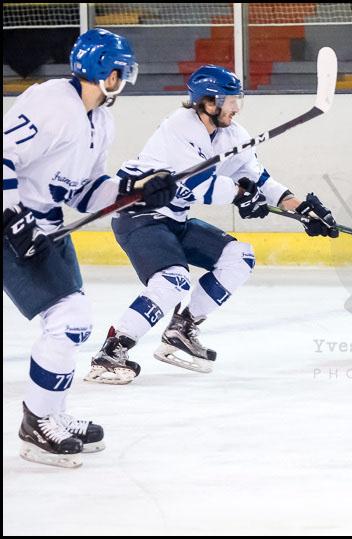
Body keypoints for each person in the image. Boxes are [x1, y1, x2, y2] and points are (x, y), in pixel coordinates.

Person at [85, 64, 338, 384]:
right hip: (139, 214)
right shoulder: (179, 127)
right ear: (206, 102)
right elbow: (199, 184)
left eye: (237, 100)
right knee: (173, 280)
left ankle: (182, 328)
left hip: (175, 219)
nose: (236, 107)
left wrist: (301, 208)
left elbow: (261, 180)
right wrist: (241, 195)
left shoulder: (234, 134)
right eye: (229, 101)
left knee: (239, 257)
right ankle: (113, 351)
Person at [3, 28, 175, 467]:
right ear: (105, 72)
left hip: (46, 224)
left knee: (72, 322)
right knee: (68, 320)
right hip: (14, 223)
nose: (123, 79)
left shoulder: (101, 120)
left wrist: (136, 191)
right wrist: (11, 217)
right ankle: (37, 423)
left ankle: (50, 412)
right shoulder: (52, 103)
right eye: (120, 71)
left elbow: (84, 192)